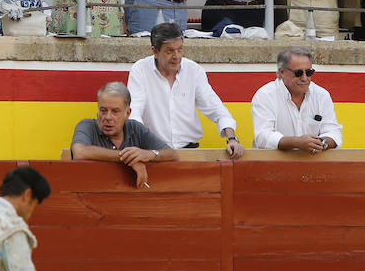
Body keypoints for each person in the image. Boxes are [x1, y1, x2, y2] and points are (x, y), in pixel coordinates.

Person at [129, 23, 243, 152]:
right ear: (155, 51)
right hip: (152, 152)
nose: (176, 56)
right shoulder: (140, 70)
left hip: (189, 151)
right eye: (169, 51)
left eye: (180, 49)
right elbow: (134, 112)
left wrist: (232, 138)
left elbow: (217, 110)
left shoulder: (193, 70)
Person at [71, 81, 176, 186]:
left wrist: (150, 154)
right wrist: (129, 159)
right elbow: (80, 152)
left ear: (128, 113)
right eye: (103, 110)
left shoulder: (135, 128)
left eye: (115, 111)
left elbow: (172, 154)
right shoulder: (87, 126)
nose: (108, 117)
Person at [250, 48, 342, 152]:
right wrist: (297, 143)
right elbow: (263, 138)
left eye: (309, 72)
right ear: (282, 72)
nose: (304, 78)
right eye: (298, 73)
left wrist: (320, 144)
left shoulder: (321, 95)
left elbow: (334, 133)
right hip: (274, 165)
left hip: (313, 163)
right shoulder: (265, 95)